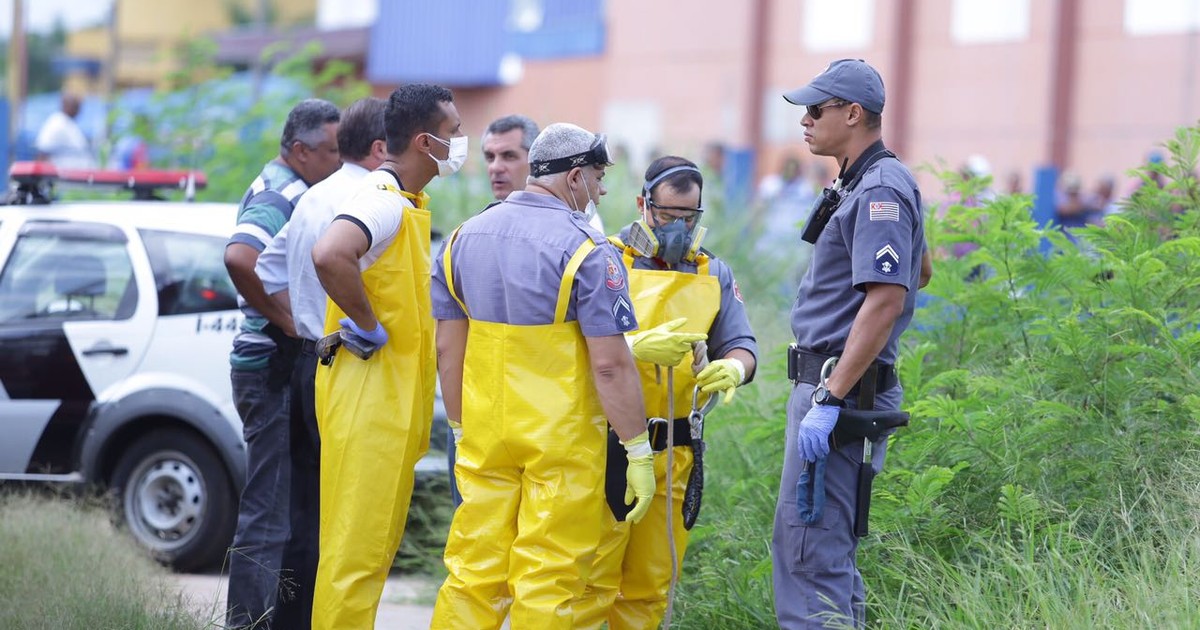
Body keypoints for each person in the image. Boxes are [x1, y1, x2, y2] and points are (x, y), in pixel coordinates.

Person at [429, 123, 657, 629]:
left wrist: (463, 428)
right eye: (598, 179)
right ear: (575, 177)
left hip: (485, 435)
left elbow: (448, 348)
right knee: (549, 578)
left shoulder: (463, 237)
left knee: (472, 573)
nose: (600, 192)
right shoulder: (589, 251)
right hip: (560, 446)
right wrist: (638, 449)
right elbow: (609, 363)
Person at [773, 58, 931, 628]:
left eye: (816, 110)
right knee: (822, 551)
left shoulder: (880, 187)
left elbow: (888, 297)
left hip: (840, 393)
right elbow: (922, 270)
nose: (806, 121)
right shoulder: (867, 178)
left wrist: (831, 397)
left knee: (809, 553)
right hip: (838, 386)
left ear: (853, 113)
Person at [578, 156, 759, 629]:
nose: (678, 228)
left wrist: (733, 368)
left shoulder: (712, 273)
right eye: (667, 215)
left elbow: (742, 343)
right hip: (608, 448)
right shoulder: (604, 259)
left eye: (689, 218)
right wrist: (632, 346)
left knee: (651, 588)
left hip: (676, 451)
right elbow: (568, 344)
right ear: (643, 204)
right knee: (588, 582)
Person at [308, 83, 464, 630]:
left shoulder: (408, 203)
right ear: (425, 141)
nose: (460, 144)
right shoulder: (382, 201)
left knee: (367, 553)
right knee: (355, 557)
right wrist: (368, 323)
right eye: (454, 134)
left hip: (388, 404)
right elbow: (330, 253)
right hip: (369, 404)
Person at [253, 96, 388, 629]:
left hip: (310, 361)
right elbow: (331, 260)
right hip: (352, 365)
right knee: (347, 519)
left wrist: (297, 321)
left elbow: (264, 269)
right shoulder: (371, 198)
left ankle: (291, 621)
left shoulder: (313, 196)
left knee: (305, 512)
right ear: (382, 148)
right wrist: (367, 324)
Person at [223, 98, 341, 630]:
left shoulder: (299, 186)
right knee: (267, 516)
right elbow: (239, 257)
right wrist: (284, 318)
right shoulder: (281, 192)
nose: (340, 163)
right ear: (301, 150)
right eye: (333, 152)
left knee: (293, 512)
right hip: (269, 365)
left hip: (281, 366)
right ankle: (246, 624)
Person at [36, 93, 95, 169]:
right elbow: (43, 152)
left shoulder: (69, 123)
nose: (78, 110)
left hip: (78, 176)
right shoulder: (57, 123)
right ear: (67, 106)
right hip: (62, 178)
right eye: (76, 106)